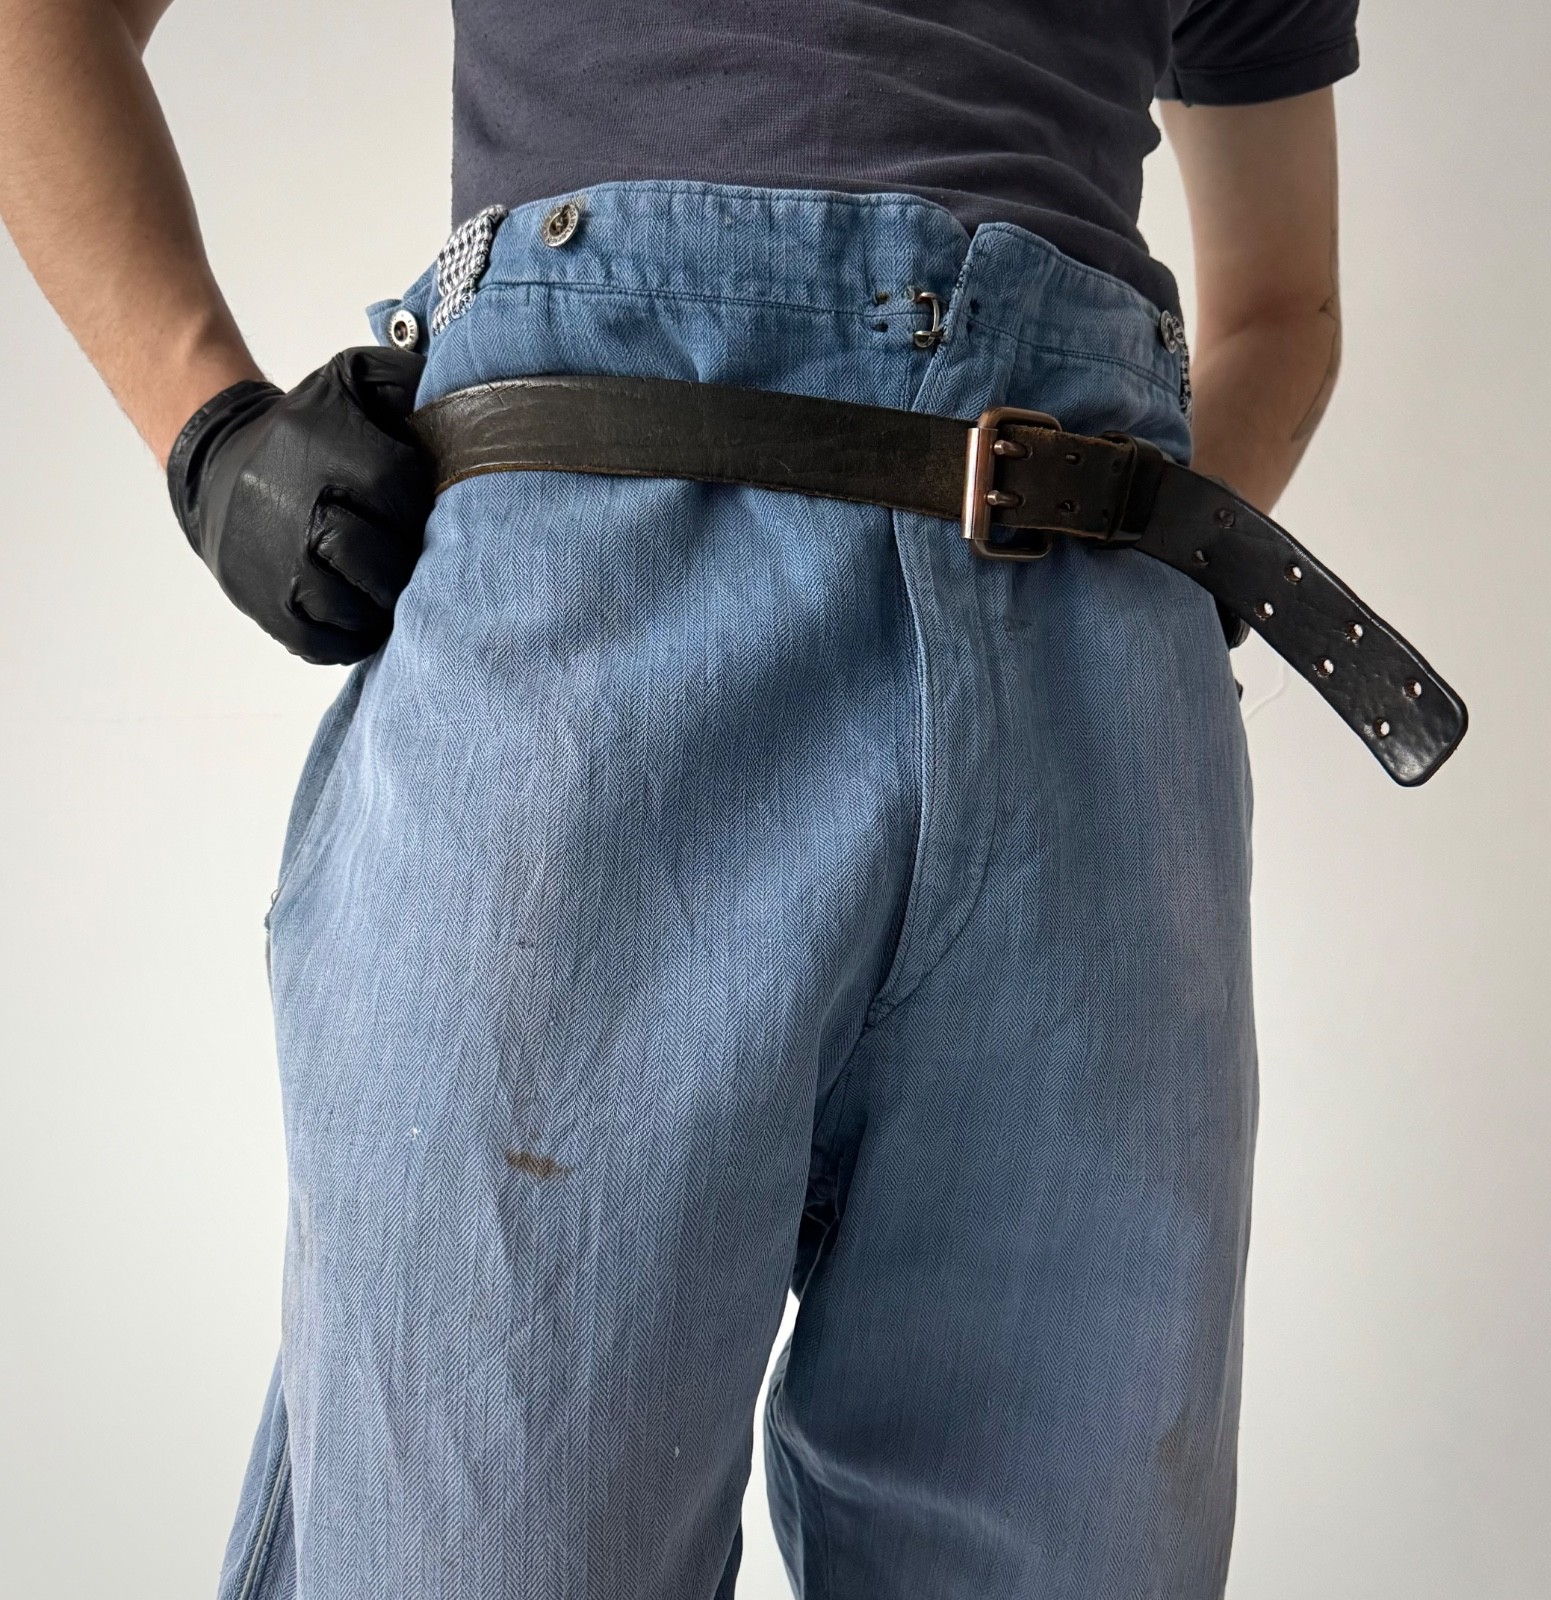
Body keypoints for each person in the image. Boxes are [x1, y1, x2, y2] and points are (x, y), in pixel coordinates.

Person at [0, 2, 1355, 1595]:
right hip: (592, 627)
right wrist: (210, 430)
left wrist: (1133, 576)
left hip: (1093, 710)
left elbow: (1284, 305)